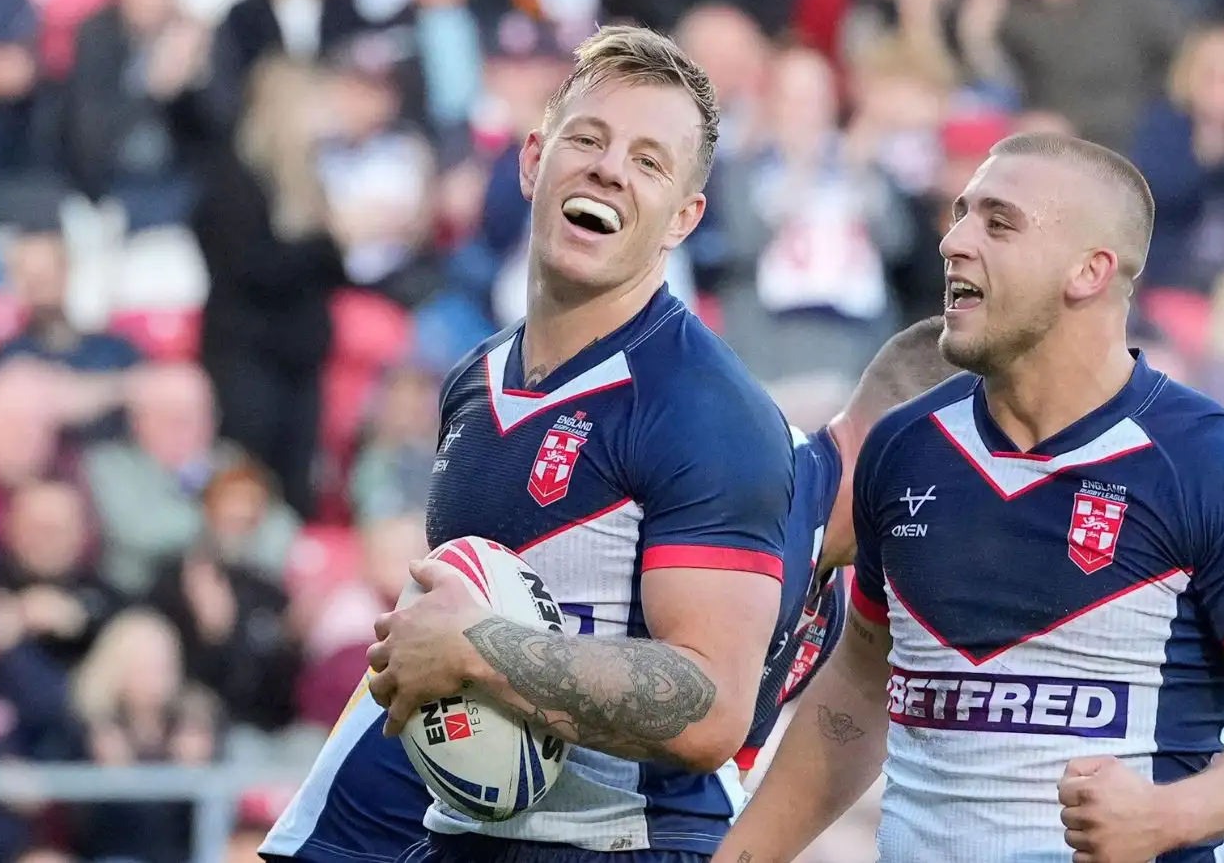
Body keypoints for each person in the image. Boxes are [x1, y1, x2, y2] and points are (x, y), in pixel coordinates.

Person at [711, 132, 1224, 863]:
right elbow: (857, 691)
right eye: (959, 214)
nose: (953, 240)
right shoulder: (905, 447)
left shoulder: (1218, 467)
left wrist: (1171, 815)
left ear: (1090, 270)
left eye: (998, 222)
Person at [260, 319, 959, 863]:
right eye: (968, 494)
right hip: (380, 825)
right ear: (908, 449)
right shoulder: (739, 487)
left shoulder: (827, 592)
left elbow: (703, 791)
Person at [357, 24, 795, 863]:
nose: (608, 168)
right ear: (532, 162)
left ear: (685, 217)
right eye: (587, 139)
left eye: (649, 161)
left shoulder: (707, 408)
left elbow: (708, 709)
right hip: (460, 838)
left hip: (623, 846)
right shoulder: (472, 383)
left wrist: (481, 652)